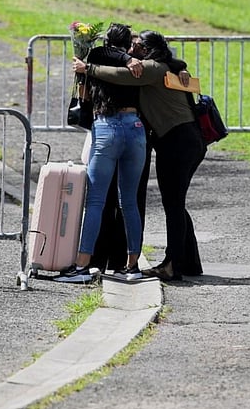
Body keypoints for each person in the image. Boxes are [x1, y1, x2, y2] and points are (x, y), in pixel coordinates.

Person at [74, 30, 205, 281]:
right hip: (182, 140)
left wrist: (87, 69)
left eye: (137, 45)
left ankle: (174, 265)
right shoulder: (164, 64)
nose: (132, 49)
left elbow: (121, 75)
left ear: (146, 50)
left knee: (173, 204)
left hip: (178, 141)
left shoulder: (152, 68)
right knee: (174, 202)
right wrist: (182, 66)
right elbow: (173, 62)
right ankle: (186, 262)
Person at [57, 23, 147, 283]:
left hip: (107, 127)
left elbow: (104, 55)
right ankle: (132, 266)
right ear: (126, 43)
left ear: (106, 41)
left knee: (95, 201)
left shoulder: (96, 56)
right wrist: (130, 57)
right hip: (135, 128)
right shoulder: (137, 63)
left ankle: (82, 266)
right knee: (128, 202)